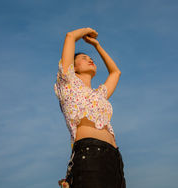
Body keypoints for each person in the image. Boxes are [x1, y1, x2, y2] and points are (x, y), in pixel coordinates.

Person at [54, 27, 126, 188]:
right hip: (90, 152)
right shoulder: (68, 84)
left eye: (90, 57)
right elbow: (70, 36)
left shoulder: (99, 95)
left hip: (114, 158)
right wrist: (87, 31)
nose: (89, 59)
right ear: (74, 67)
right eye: (83, 58)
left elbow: (116, 72)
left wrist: (97, 46)